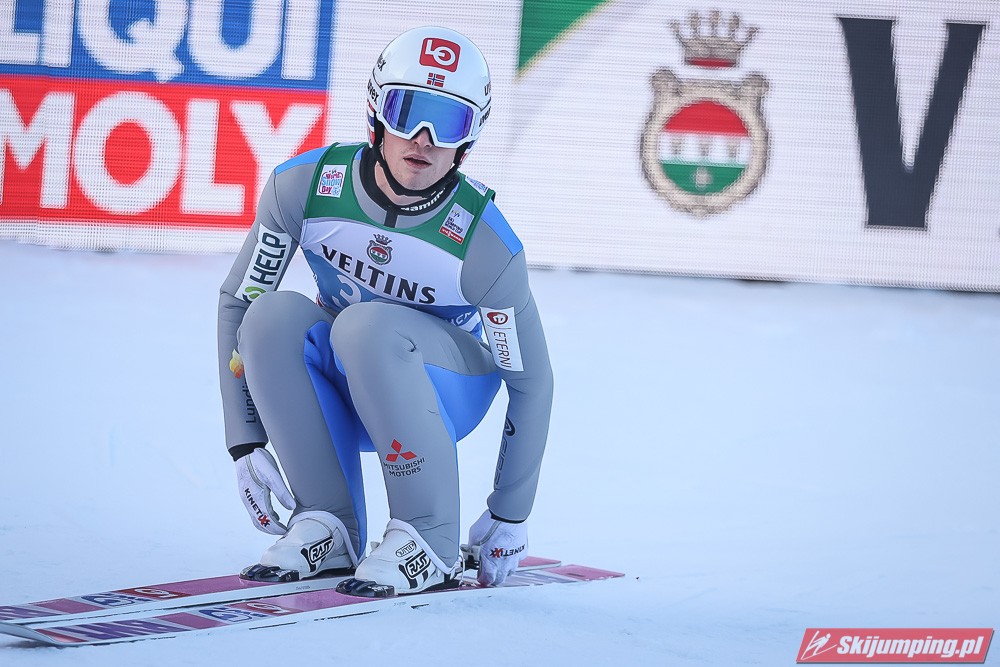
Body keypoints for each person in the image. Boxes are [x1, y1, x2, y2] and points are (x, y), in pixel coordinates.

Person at [217, 26, 553, 594]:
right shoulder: (304, 187)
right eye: (408, 112)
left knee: (365, 325)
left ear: (469, 139)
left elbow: (531, 380)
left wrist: (509, 511)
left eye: (448, 123)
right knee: (269, 316)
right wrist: (244, 438)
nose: (423, 140)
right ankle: (327, 522)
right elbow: (239, 299)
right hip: (352, 384)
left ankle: (430, 536)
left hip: (446, 394)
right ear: (376, 112)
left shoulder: (484, 243)